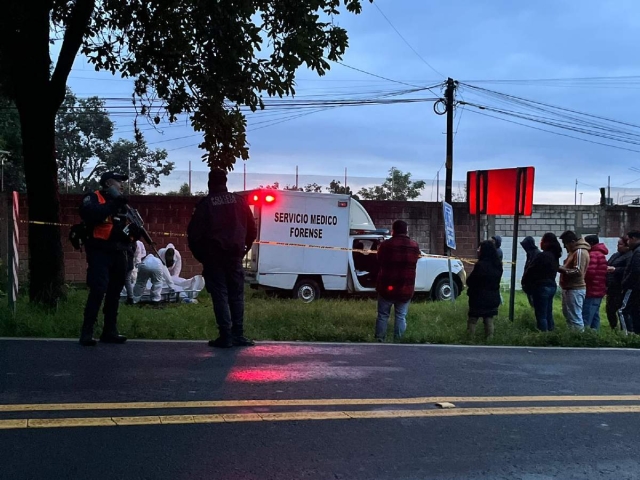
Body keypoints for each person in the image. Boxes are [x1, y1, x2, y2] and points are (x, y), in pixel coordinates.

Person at [187, 169, 257, 348]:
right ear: (225, 181)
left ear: (210, 183)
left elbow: (194, 235)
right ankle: (238, 334)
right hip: (234, 257)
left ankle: (225, 335)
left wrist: (203, 258)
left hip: (214, 258)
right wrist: (243, 250)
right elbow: (252, 230)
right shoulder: (239, 202)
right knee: (236, 295)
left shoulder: (205, 204)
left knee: (220, 296)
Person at [78, 171, 137, 346]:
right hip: (99, 252)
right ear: (108, 183)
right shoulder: (93, 197)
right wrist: (114, 203)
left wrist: (133, 233)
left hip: (119, 252)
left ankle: (110, 331)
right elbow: (91, 215)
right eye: (119, 182)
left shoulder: (123, 205)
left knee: (115, 292)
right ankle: (87, 332)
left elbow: (127, 226)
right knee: (98, 290)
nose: (122, 185)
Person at [374, 220, 421, 342]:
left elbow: (379, 260)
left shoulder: (386, 245)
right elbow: (417, 259)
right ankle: (399, 341)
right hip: (406, 287)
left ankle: (380, 339)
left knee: (383, 315)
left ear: (393, 230)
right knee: (401, 316)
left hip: (386, 286)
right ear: (406, 230)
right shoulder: (414, 246)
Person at [521, 233, 562, 332]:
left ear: (546, 243)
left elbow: (531, 270)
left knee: (541, 315)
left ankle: (543, 335)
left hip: (541, 286)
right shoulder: (555, 256)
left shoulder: (542, 256)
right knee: (548, 312)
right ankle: (551, 332)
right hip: (552, 285)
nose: (540, 243)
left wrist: (525, 282)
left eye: (542, 241)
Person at [466, 241, 503, 339]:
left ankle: (470, 339)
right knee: (488, 318)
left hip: (478, 297)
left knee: (473, 319)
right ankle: (489, 340)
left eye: (480, 248)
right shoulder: (498, 265)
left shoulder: (480, 265)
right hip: (493, 297)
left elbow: (471, 281)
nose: (478, 250)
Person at [558, 230, 590, 331]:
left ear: (572, 242)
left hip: (575, 288)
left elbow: (578, 271)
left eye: (565, 244)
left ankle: (579, 340)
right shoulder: (574, 252)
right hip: (570, 288)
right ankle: (572, 336)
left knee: (575, 317)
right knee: (570, 316)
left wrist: (562, 269)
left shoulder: (580, 252)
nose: (564, 247)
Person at [582, 235, 609, 330]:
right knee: (595, 315)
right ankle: (595, 336)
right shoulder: (601, 254)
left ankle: (585, 336)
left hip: (592, 289)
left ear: (591, 243)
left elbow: (590, 272)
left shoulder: (593, 254)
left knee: (587, 315)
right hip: (599, 288)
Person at [605, 236, 632, 330]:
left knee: (621, 310)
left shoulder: (630, 256)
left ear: (627, 246)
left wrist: (615, 269)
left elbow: (628, 270)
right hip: (611, 286)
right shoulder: (616, 255)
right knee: (609, 309)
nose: (618, 246)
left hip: (620, 286)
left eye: (620, 244)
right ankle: (614, 327)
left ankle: (625, 329)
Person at [620, 230, 640, 334]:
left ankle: (627, 335)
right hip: (636, 287)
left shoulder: (637, 252)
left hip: (633, 287)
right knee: (635, 311)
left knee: (623, 310)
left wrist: (626, 283)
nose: (627, 243)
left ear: (634, 239)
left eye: (628, 240)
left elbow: (635, 271)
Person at [520, 236, 541, 306]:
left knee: (536, 303)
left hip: (534, 284)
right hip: (530, 284)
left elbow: (533, 269)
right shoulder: (530, 253)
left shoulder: (536, 254)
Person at [124, 240, 146, 304]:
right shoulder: (135, 245)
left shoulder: (128, 246)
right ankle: (130, 297)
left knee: (130, 279)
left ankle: (130, 297)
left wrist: (137, 264)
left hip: (128, 264)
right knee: (127, 280)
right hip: (130, 264)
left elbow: (139, 255)